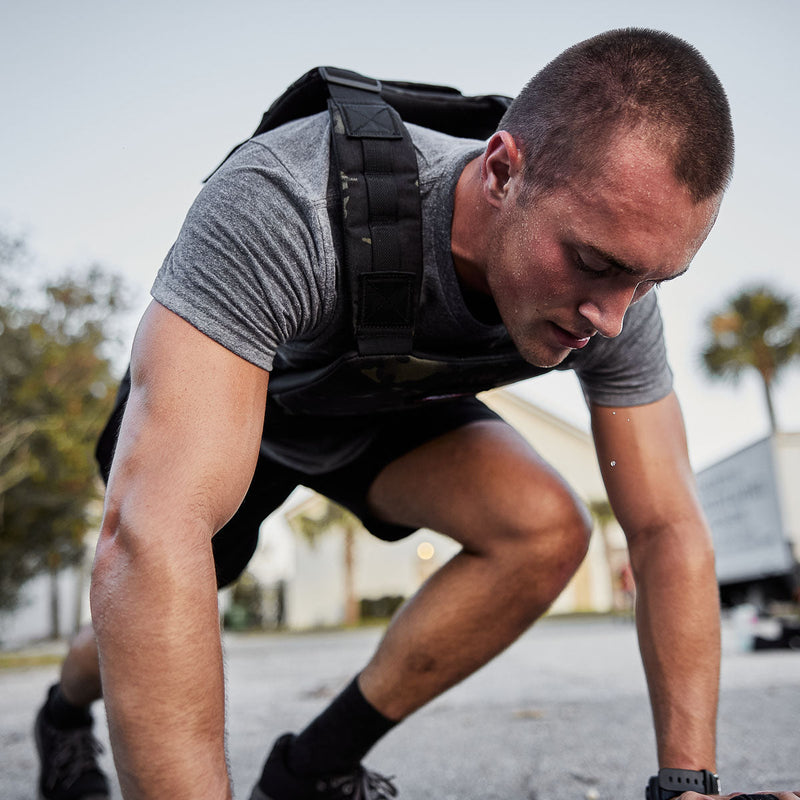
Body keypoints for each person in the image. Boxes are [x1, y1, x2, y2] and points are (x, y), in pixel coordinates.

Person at [31, 27, 798, 800]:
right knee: (147, 594)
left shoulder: (613, 297)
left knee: (544, 529)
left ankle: (313, 769)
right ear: (502, 171)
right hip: (244, 400)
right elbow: (148, 533)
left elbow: (667, 526)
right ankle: (62, 715)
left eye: (652, 279)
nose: (612, 315)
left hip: (372, 411)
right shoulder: (291, 199)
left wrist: (685, 785)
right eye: (594, 262)